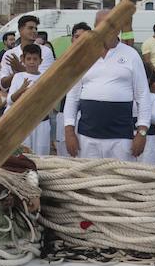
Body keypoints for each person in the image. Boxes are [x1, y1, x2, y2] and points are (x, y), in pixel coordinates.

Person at [62, 9, 150, 160]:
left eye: (110, 25)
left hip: (122, 138)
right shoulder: (84, 55)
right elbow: (72, 97)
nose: (105, 29)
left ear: (117, 27)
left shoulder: (131, 55)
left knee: (120, 182)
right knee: (89, 180)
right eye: (100, 25)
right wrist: (69, 132)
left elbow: (143, 96)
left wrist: (141, 133)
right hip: (86, 137)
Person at [6, 45, 50, 154]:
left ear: (41, 61)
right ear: (23, 60)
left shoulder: (45, 77)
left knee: (41, 153)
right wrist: (21, 90)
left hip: (41, 121)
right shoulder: (18, 77)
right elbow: (9, 100)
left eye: (35, 59)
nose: (31, 62)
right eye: (28, 59)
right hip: (23, 121)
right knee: (24, 153)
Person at [0, 14, 54, 94]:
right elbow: (3, 85)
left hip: (38, 98)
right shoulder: (9, 54)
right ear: (20, 30)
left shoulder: (46, 51)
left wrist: (20, 68)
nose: (34, 31)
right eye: (30, 28)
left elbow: (44, 80)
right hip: (14, 101)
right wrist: (16, 74)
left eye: (36, 28)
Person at [137, 86, 155, 166]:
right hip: (126, 136)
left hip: (148, 137)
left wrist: (142, 111)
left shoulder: (153, 97)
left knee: (148, 166)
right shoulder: (125, 97)